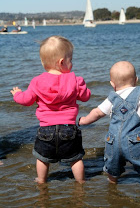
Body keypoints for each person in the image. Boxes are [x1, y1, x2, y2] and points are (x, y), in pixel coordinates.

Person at [10, 35, 91, 184]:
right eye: (70, 60)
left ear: (43, 62)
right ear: (62, 62)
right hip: (68, 128)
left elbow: (26, 100)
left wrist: (17, 95)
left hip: (46, 129)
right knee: (75, 158)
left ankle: (41, 180)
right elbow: (86, 97)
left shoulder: (37, 81)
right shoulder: (75, 80)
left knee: (42, 157)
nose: (71, 63)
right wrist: (83, 86)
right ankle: (81, 182)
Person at [79, 61, 140, 188]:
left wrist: (83, 120)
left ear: (112, 84)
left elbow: (97, 113)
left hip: (113, 142)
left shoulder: (112, 97)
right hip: (135, 142)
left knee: (112, 165)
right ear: (136, 80)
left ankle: (112, 183)